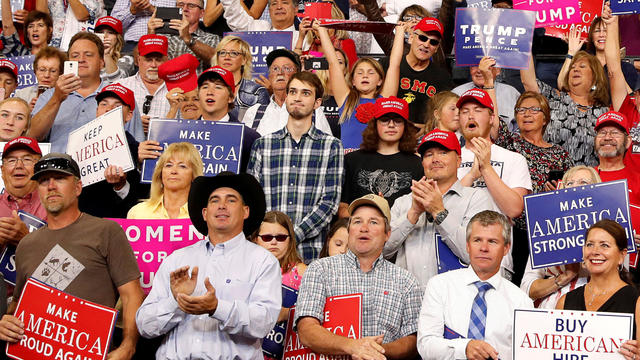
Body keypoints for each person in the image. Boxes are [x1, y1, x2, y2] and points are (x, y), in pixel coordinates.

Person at [0, 153, 144, 359]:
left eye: (59, 178)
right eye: (42, 181)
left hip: (91, 352)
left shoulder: (106, 231)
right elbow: (18, 305)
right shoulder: (26, 245)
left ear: (77, 188)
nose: (50, 186)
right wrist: (5, 323)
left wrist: (128, 345)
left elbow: (132, 294)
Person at [136, 172, 282, 359]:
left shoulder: (263, 261)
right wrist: (177, 301)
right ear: (205, 213)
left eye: (231, 200)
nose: (221, 205)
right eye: (214, 200)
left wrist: (217, 307)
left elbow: (263, 323)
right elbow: (145, 326)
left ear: (245, 211)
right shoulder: (177, 260)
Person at [295, 194, 422, 359]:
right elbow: (306, 330)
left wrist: (376, 351)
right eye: (357, 221)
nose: (364, 228)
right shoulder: (320, 270)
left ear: (387, 234)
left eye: (373, 222)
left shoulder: (406, 281)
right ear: (349, 230)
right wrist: (352, 346)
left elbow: (413, 340)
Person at [385, 129, 500, 290]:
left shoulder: (475, 199)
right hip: (408, 300)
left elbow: (475, 254)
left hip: (456, 298)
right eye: (429, 154)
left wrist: (439, 212)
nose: (435, 159)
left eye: (443, 152)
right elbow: (381, 251)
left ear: (459, 161)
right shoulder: (403, 203)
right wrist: (412, 215)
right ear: (423, 162)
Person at [248, 71, 344, 261]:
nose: (297, 98)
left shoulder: (331, 146)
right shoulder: (263, 145)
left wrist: (292, 237)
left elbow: (329, 203)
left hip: (310, 253)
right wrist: (273, 237)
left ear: (317, 103)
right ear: (287, 97)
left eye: (305, 93)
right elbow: (252, 201)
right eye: (293, 92)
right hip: (267, 251)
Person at [417, 210, 534, 360]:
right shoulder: (439, 286)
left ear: (506, 248)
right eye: (477, 240)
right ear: (467, 245)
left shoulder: (521, 302)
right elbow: (425, 346)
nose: (483, 248)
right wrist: (464, 348)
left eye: (492, 241)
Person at [490, 88, 574, 284]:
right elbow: (492, 119)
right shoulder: (508, 143)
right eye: (521, 110)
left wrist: (557, 193)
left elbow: (572, 190)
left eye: (534, 109)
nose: (526, 113)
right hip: (515, 229)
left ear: (545, 119)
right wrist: (488, 83)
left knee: (540, 284)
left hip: (547, 231)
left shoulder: (560, 154)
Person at [31, 32, 144, 152]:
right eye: (75, 56)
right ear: (68, 62)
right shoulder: (49, 95)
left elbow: (137, 148)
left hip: (105, 169)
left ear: (101, 63)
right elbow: (32, 136)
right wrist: (57, 98)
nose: (81, 60)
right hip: (56, 167)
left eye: (88, 55)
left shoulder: (121, 96)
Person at [556, 219, 640, 359]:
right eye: (590, 244)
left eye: (604, 245)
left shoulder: (636, 302)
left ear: (622, 255)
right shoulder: (564, 302)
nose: (595, 251)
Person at [520, 165, 600, 309]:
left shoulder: (610, 231)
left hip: (595, 307)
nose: (574, 187)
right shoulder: (546, 229)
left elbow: (620, 279)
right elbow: (526, 288)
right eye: (569, 183)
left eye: (583, 183)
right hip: (550, 310)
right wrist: (565, 277)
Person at [315, 19, 401, 152]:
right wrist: (322, 31)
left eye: (371, 72)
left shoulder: (385, 101)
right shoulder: (346, 99)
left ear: (380, 81)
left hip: (376, 162)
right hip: (349, 163)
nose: (365, 76)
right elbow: (333, 63)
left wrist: (400, 32)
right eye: (360, 73)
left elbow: (394, 64)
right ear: (353, 81)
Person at [520, 44, 609, 166]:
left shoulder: (604, 112)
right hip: (551, 180)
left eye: (582, 66)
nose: (575, 69)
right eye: (572, 67)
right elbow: (528, 81)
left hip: (587, 181)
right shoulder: (553, 97)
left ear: (595, 77)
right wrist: (526, 42)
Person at [339, 96, 423, 217]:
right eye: (385, 120)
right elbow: (342, 207)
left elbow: (420, 211)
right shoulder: (352, 160)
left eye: (398, 121)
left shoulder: (417, 164)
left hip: (402, 230)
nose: (391, 125)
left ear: (405, 126)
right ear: (374, 124)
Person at [456, 88, 532, 221]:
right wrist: (471, 176)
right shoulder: (449, 159)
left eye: (477, 110)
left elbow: (514, 209)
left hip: (496, 239)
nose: (470, 116)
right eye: (465, 111)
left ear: (491, 118)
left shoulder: (514, 159)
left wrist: (486, 168)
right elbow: (443, 207)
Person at [76, 83, 144, 218]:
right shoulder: (77, 146)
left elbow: (141, 203)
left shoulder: (138, 152)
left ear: (129, 115)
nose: (109, 109)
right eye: (104, 104)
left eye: (117, 106)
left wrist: (121, 187)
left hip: (117, 225)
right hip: (81, 224)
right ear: (97, 111)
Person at [252, 210, 307, 359]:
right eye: (267, 237)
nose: (274, 242)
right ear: (256, 239)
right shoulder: (246, 270)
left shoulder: (302, 272)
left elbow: (317, 312)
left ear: (290, 240)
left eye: (281, 237)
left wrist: (287, 313)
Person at [380, 17, 454, 126]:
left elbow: (444, 116)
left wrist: (426, 127)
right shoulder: (386, 64)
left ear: (437, 48)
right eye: (423, 38)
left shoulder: (443, 77)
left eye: (433, 42)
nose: (426, 45)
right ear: (410, 38)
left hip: (422, 137)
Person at [242, 49, 332, 136]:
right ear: (269, 75)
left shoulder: (313, 110)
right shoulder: (254, 112)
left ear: (297, 74)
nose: (280, 73)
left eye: (287, 68)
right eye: (275, 68)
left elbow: (326, 146)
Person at [603, 7, 640, 171]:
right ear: (636, 95)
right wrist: (612, 24)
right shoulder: (628, 109)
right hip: (629, 188)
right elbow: (613, 70)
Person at [128, 142, 204, 219]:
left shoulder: (205, 214)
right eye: (169, 165)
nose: (173, 171)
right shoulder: (137, 213)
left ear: (194, 175)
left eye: (182, 166)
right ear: (160, 173)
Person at [147, 1, 220, 73]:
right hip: (165, 83)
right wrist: (150, 36)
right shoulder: (160, 36)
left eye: (191, 6)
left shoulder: (211, 38)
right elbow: (138, 59)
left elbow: (216, 59)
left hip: (196, 84)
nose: (185, 9)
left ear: (201, 13)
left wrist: (188, 38)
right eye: (181, 5)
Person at [119, 34, 170, 136]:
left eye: (158, 60)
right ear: (138, 60)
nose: (153, 65)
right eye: (148, 59)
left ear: (167, 60)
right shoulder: (122, 87)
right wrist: (133, 124)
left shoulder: (178, 90)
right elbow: (108, 122)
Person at [0, 137, 46, 248]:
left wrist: (26, 239)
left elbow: (66, 256)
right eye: (11, 160)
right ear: (2, 170)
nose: (19, 165)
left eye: (27, 159)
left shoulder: (54, 205)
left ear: (39, 168)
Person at [210, 35, 269, 122]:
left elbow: (261, 127)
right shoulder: (205, 89)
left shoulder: (257, 92)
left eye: (234, 53)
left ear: (244, 60)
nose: (227, 57)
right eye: (222, 53)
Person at [453, 57, 521, 127]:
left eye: (486, 66)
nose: (479, 70)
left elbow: (519, 127)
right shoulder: (457, 93)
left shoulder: (511, 93)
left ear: (498, 70)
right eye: (475, 66)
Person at [593, 111, 640, 204]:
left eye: (615, 133)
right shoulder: (581, 179)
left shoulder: (638, 181)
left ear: (628, 142)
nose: (607, 138)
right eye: (602, 133)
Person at [220, 0, 300, 45]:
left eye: (285, 3)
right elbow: (234, 15)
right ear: (269, 11)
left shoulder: (302, 38)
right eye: (274, 4)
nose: (279, 7)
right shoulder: (258, 28)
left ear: (296, 9)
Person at [110, 0, 174, 51]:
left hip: (166, 43)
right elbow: (113, 25)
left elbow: (179, 18)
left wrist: (152, 9)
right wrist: (132, 11)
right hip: (133, 44)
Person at [158, 53, 201, 120]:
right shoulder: (168, 99)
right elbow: (164, 130)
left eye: (196, 99)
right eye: (183, 99)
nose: (189, 103)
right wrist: (173, 109)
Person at [95, 16, 134, 83]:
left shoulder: (127, 59)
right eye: (101, 32)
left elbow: (118, 81)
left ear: (117, 38)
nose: (105, 36)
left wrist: (106, 54)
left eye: (110, 32)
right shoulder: (87, 57)